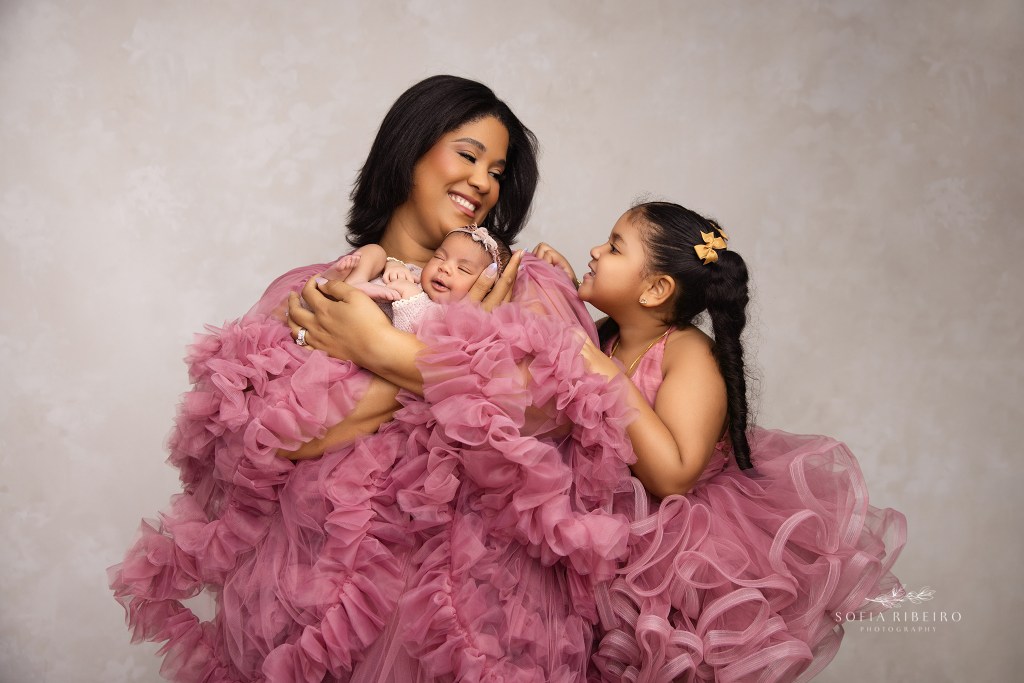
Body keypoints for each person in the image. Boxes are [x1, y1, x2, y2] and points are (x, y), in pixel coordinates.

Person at [110, 75, 635, 683]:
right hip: (319, 599)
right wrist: (446, 376)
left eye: (497, 171)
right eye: (468, 155)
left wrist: (376, 348)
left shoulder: (518, 281)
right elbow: (269, 442)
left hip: (477, 605)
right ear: (409, 150)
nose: (483, 182)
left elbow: (552, 411)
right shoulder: (320, 288)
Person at [532, 201, 907, 682]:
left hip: (670, 559)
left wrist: (609, 377)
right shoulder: (606, 339)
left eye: (614, 247)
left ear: (655, 289)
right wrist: (560, 294)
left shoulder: (688, 354)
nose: (594, 251)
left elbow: (673, 475)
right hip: (596, 544)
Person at [319, 225, 511, 333]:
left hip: (350, 323)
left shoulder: (444, 315)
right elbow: (392, 269)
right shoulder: (419, 276)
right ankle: (346, 281)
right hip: (337, 296)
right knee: (376, 251)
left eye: (462, 269)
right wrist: (393, 264)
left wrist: (409, 295)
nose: (444, 267)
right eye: (439, 257)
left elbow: (408, 334)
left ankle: (336, 285)